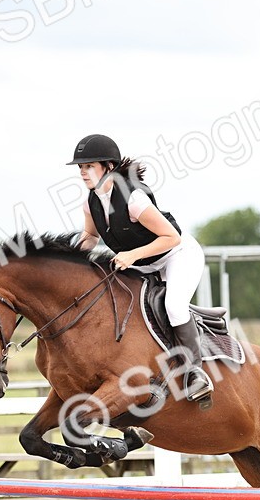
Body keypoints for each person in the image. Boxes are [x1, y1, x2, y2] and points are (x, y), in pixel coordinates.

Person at [68, 133, 214, 402]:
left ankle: (196, 373)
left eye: (89, 166)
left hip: (178, 255)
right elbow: (90, 237)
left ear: (108, 167)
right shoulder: (91, 202)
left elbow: (172, 237)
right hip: (144, 264)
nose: (83, 173)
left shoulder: (134, 198)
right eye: (80, 167)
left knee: (174, 306)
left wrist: (132, 255)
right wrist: (69, 262)